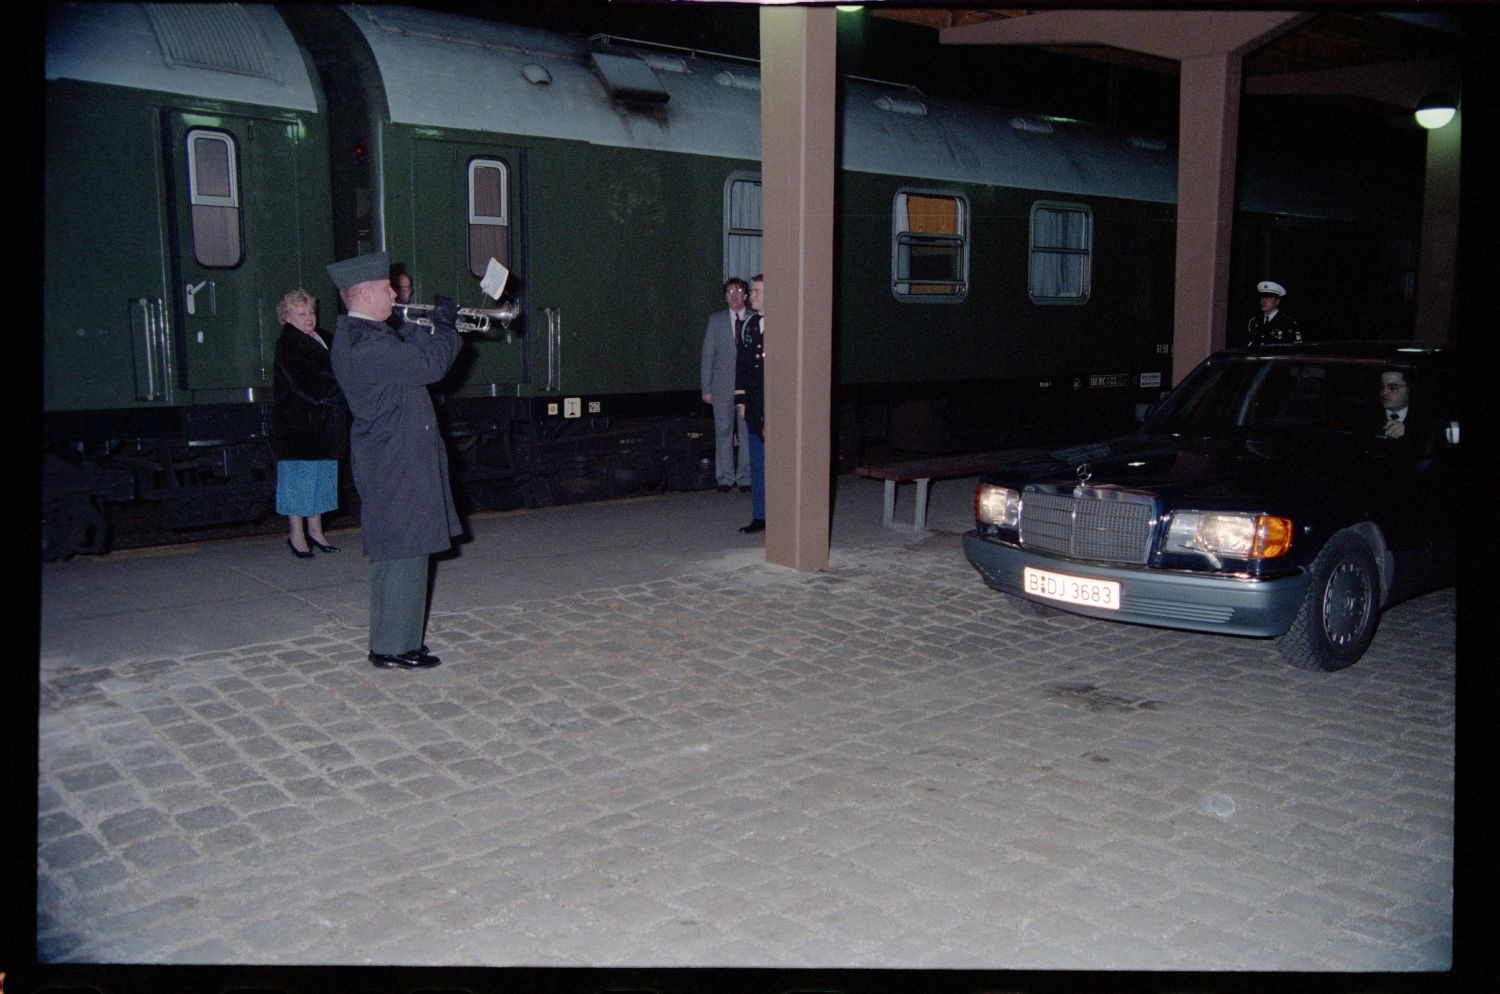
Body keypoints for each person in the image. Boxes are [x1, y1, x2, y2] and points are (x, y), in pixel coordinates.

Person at [328, 251, 464, 671]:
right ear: (366, 294)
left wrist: (421, 327)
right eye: (387, 288)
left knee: (404, 550)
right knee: (404, 549)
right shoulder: (363, 342)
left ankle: (397, 639)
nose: (394, 294)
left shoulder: (366, 335)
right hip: (394, 457)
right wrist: (445, 326)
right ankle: (392, 647)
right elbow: (429, 364)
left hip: (395, 453)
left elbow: (408, 362)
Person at [270, 289, 348, 558]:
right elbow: (308, 386)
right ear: (286, 317)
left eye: (311, 312)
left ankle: (316, 531)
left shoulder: (322, 338)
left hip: (323, 425)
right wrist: (344, 391)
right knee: (299, 481)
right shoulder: (290, 344)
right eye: (301, 314)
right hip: (299, 427)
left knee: (322, 480)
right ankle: (297, 534)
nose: (308, 318)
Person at [701, 277, 753, 493]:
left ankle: (745, 478)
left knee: (747, 434)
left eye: (738, 291)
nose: (734, 296)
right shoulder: (716, 321)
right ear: (725, 297)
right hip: (721, 388)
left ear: (746, 296)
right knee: (723, 433)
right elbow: (707, 356)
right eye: (729, 292)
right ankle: (724, 478)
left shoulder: (755, 319)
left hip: (748, 388)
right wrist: (706, 388)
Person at [735, 275, 766, 534]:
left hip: (774, 404)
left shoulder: (784, 324)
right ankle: (760, 515)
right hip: (754, 404)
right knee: (757, 461)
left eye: (756, 291)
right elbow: (742, 367)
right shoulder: (748, 325)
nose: (751, 296)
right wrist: (741, 400)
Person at [1247, 280, 1301, 347]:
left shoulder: (1288, 322)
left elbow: (1296, 347)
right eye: (1262, 298)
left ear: (1277, 301)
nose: (1264, 302)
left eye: (1268, 299)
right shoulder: (1254, 322)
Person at [1379, 368, 1413, 440]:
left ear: (1409, 390)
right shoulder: (1365, 417)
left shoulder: (1424, 421)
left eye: (1392, 387)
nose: (1384, 392)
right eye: (1382, 386)